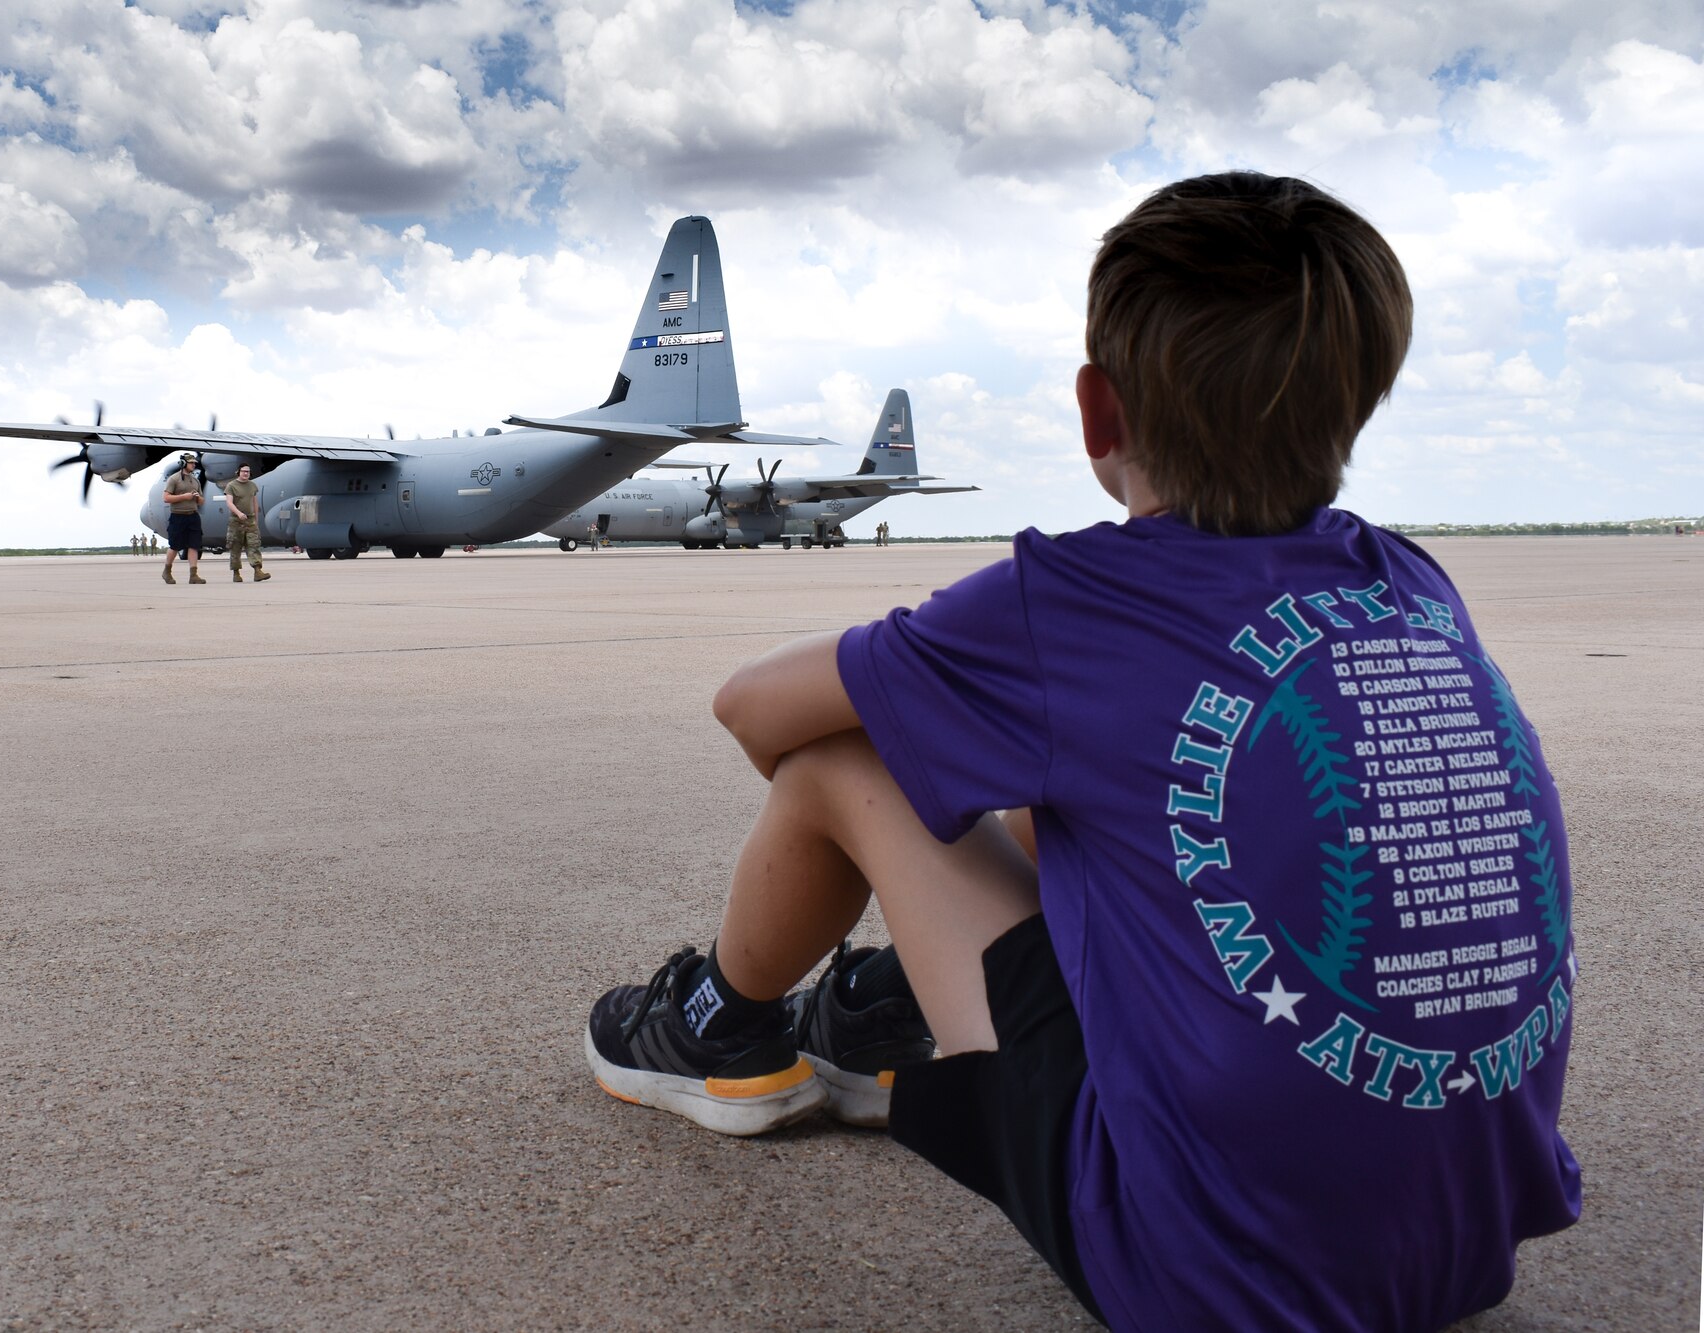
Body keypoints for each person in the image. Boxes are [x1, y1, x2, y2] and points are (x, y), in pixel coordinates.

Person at [583, 173, 1579, 1332]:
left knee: (847, 762)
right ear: (1358, 404)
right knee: (1076, 779)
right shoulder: (1406, 581)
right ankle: (882, 1012)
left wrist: (907, 660)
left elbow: (752, 708)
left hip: (1208, 1279)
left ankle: (717, 1026)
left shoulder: (1072, 601)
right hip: (1459, 1249)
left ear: (1098, 413)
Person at [222, 463, 270, 583]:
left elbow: (254, 503)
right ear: (238, 472)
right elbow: (229, 503)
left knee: (254, 545)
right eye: (243, 471)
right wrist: (238, 513)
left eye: (248, 472)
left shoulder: (252, 486)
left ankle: (258, 571)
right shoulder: (231, 486)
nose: (246, 473)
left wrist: (256, 520)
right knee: (235, 547)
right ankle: (236, 573)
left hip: (250, 520)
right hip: (236, 520)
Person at [162, 454, 206, 584]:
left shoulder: (195, 480)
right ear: (183, 464)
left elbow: (202, 502)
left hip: (193, 516)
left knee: (194, 545)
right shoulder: (174, 479)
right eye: (191, 463)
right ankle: (167, 571)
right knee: (175, 546)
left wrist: (198, 498)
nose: (194, 464)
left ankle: (193, 575)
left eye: (194, 463)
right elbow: (166, 498)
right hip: (178, 516)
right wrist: (184, 497)